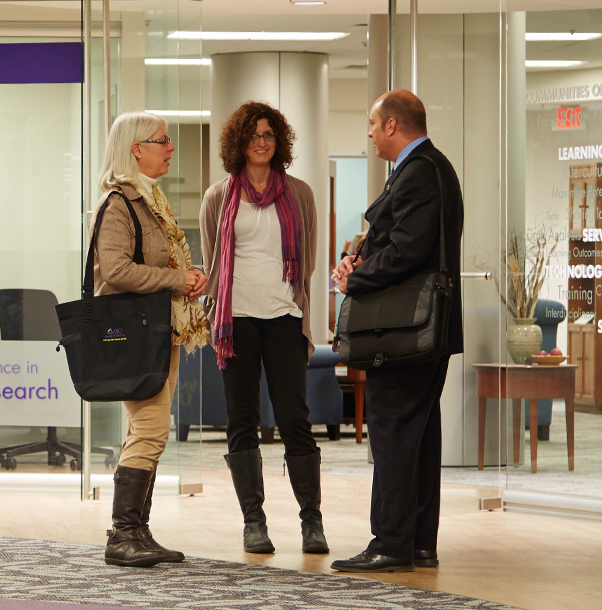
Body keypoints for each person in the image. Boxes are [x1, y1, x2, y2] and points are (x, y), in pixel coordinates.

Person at [330, 89, 463, 573]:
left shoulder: (419, 172)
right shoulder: (427, 169)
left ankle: (389, 544)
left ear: (392, 125)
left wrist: (354, 277)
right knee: (418, 435)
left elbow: (408, 249)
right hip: (423, 330)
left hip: (406, 331)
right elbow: (401, 240)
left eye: (371, 124)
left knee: (392, 432)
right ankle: (417, 543)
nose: (368, 133)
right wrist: (361, 254)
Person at [199, 101, 326, 556]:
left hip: (285, 318)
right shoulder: (218, 197)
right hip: (237, 322)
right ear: (239, 143)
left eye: (270, 135)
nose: (262, 142)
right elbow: (214, 262)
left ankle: (312, 521)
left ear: (280, 143)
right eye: (254, 136)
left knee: (295, 420)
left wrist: (297, 305)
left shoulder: (300, 194)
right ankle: (254, 521)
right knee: (242, 421)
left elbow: (307, 263)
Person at [94, 111, 211, 568]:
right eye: (162, 140)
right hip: (137, 333)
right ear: (136, 149)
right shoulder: (119, 203)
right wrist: (175, 278)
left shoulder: (149, 199)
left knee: (146, 430)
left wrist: (186, 277)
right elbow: (116, 270)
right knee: (150, 428)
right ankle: (123, 534)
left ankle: (136, 532)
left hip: (161, 329)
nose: (171, 147)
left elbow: (159, 261)